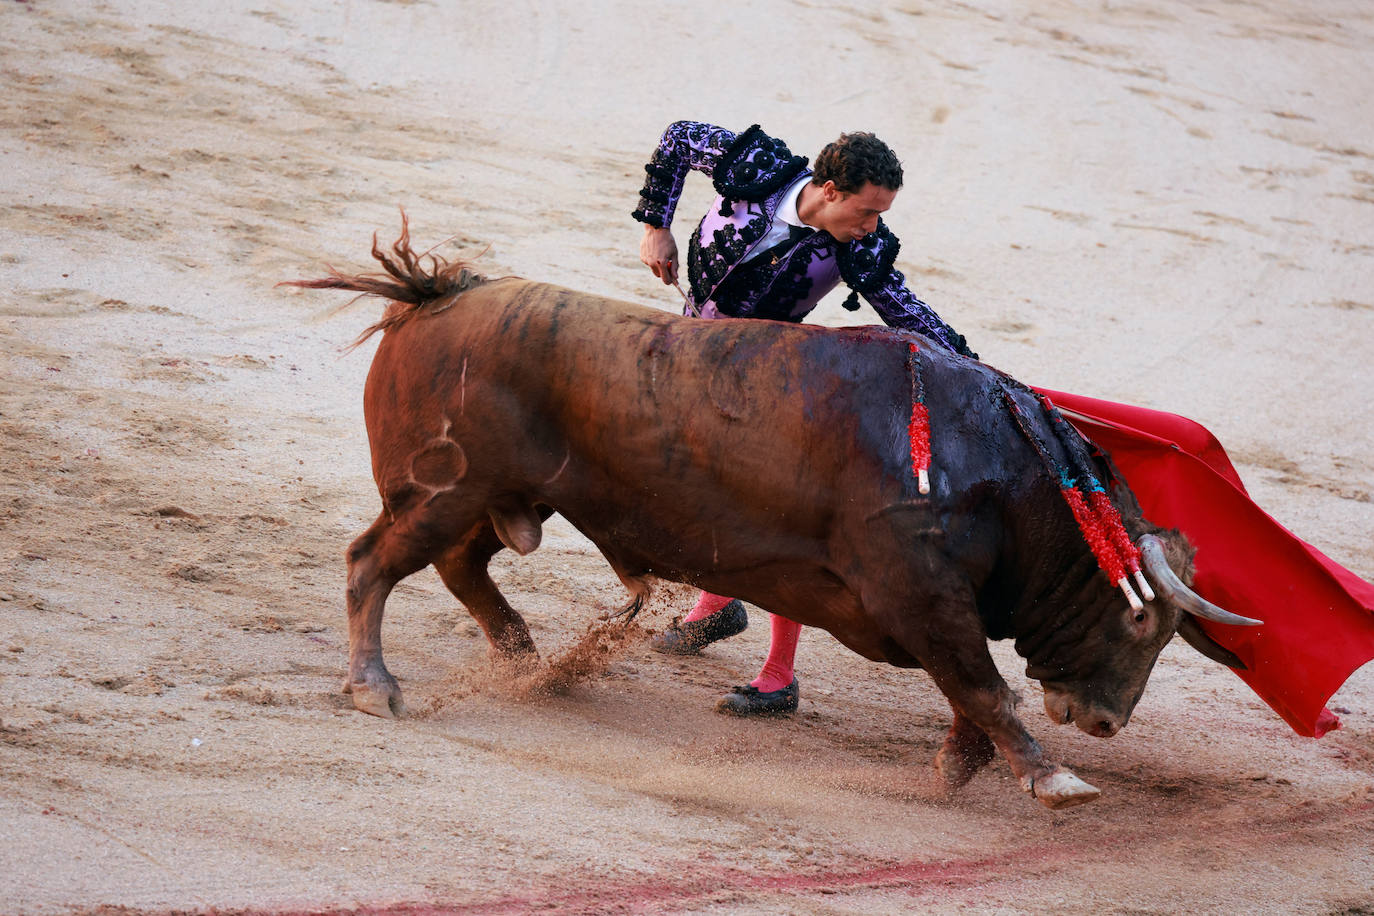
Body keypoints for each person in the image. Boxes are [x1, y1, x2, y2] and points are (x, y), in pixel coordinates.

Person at [631, 119, 978, 716]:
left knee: (774, 513)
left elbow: (907, 311)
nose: (874, 226)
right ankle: (719, 607)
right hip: (694, 344)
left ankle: (779, 674)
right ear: (829, 189)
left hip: (766, 380)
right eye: (867, 211)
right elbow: (679, 138)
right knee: (708, 494)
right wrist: (656, 225)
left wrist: (971, 368)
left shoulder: (860, 247)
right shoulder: (759, 169)